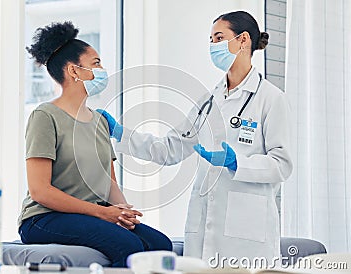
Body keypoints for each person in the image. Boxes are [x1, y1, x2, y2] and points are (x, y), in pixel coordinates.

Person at [98, 11, 293, 264]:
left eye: (219, 37)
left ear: (243, 40)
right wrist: (121, 133)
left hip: (247, 232)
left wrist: (238, 163)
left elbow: (282, 165)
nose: (212, 46)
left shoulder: (271, 98)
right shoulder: (209, 102)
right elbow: (169, 149)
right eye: (211, 40)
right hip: (203, 228)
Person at [18, 21, 172, 268]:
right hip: (44, 218)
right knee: (129, 247)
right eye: (96, 63)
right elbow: (40, 191)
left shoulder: (100, 120)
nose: (102, 70)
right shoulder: (45, 116)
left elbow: (109, 183)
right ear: (74, 71)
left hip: (91, 214)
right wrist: (102, 213)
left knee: (161, 246)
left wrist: (122, 211)